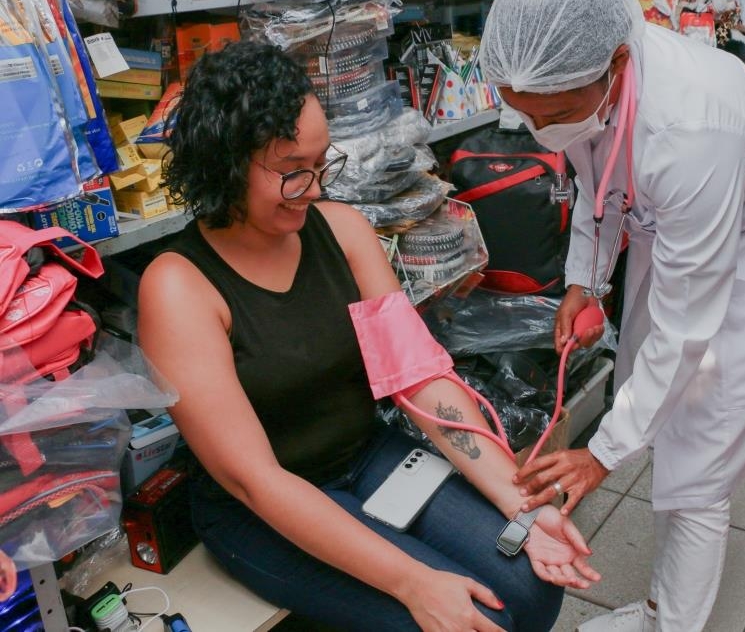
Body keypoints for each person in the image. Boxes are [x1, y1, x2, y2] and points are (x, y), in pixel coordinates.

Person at [137, 40, 599, 632]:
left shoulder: (342, 230)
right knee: (465, 618)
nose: (314, 187)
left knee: (531, 587)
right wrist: (414, 583)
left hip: (366, 456)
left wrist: (521, 506)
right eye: (292, 171)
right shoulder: (178, 287)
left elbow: (419, 376)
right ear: (225, 162)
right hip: (258, 507)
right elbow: (255, 480)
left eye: (321, 163)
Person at [479, 0, 745, 632]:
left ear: (615, 65)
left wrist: (601, 452)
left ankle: (670, 624)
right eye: (525, 114)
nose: (540, 130)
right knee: (662, 411)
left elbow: (686, 324)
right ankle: (657, 610)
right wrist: (585, 283)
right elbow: (599, 181)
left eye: (555, 115)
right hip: (676, 233)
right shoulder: (581, 84)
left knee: (698, 464)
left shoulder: (692, 125)